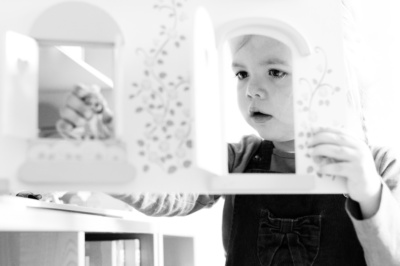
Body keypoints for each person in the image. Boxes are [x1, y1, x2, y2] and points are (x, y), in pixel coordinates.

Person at [56, 3, 400, 266]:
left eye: (275, 71)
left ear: (335, 78)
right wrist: (108, 154)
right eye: (241, 74)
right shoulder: (242, 158)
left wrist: (369, 191)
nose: (252, 89)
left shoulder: (380, 166)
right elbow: (171, 188)